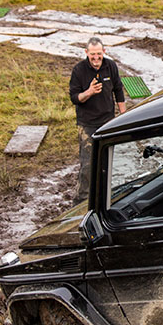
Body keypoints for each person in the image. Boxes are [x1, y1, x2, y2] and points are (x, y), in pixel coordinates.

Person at [69, 38, 126, 202]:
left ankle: (105, 196)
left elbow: (118, 90)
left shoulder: (111, 66)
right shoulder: (79, 70)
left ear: (104, 52)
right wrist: (89, 92)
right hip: (87, 124)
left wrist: (123, 115)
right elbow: (74, 97)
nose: (96, 58)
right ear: (86, 53)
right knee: (88, 165)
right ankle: (82, 201)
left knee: (108, 160)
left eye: (99, 54)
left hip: (108, 121)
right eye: (92, 54)